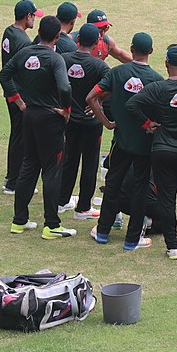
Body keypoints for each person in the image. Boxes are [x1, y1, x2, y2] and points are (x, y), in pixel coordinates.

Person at [127, 44, 177, 260]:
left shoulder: (157, 88)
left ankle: (173, 247)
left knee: (166, 199)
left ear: (166, 64)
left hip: (161, 151)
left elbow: (131, 105)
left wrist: (147, 124)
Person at [0, 15, 74, 240]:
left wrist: (19, 101)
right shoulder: (55, 58)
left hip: (28, 116)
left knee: (29, 166)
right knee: (52, 170)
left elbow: (4, 75)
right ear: (58, 36)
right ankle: (51, 225)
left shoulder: (23, 53)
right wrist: (67, 110)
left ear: (39, 32)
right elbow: (65, 88)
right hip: (50, 118)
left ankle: (19, 220)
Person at [87, 32, 163, 250]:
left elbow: (91, 98)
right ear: (151, 51)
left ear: (131, 49)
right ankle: (132, 239)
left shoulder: (117, 72)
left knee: (113, 183)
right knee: (140, 189)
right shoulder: (156, 80)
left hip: (120, 141)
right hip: (144, 145)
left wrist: (107, 122)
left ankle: (103, 232)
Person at [59, 23, 110, 219]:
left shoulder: (63, 60)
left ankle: (62, 201)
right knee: (89, 163)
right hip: (91, 121)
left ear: (77, 40)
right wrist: (98, 101)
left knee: (69, 160)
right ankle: (83, 208)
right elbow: (111, 86)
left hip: (69, 120)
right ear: (97, 42)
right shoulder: (100, 66)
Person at [0, 0, 44, 196]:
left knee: (16, 135)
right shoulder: (24, 41)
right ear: (28, 16)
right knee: (20, 138)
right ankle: (13, 182)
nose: (35, 19)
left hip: (11, 92)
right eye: (33, 15)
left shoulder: (9, 32)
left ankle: (12, 177)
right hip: (19, 96)